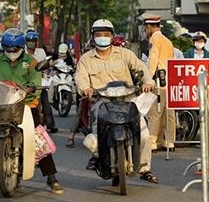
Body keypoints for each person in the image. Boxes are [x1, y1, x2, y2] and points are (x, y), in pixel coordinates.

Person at [0, 29, 64, 194]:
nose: (12, 53)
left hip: (26, 105)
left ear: (22, 48)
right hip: (1, 104)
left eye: (15, 50)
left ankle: (51, 177)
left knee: (37, 138)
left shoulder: (32, 62)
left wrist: (29, 89)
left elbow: (35, 83)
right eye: (8, 49)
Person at [74, 18, 158, 183]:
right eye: (99, 35)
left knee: (144, 134)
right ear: (92, 37)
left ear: (112, 37)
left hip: (128, 101)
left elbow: (142, 68)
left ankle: (144, 168)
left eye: (106, 34)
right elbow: (80, 78)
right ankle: (98, 156)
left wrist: (148, 82)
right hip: (102, 103)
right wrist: (86, 88)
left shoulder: (125, 54)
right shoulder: (85, 59)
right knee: (94, 137)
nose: (102, 37)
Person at [143, 13, 176, 152]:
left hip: (158, 79)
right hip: (169, 80)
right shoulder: (167, 40)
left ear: (149, 26)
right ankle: (169, 142)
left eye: (146, 27)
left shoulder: (154, 39)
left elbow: (153, 60)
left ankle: (153, 142)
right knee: (169, 113)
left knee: (155, 113)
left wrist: (148, 80)